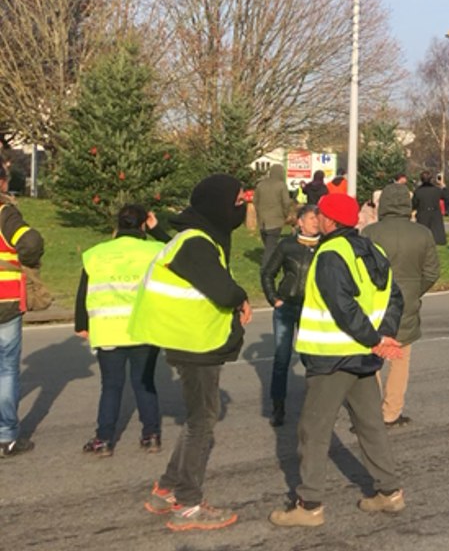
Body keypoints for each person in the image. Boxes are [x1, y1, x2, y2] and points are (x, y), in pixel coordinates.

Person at [268, 193, 407, 528]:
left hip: (332, 357)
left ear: (330, 220)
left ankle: (309, 504)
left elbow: (341, 306)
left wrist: (374, 339)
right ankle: (389, 492)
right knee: (370, 425)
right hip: (362, 356)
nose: (318, 219)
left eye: (321, 215)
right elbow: (394, 297)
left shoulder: (330, 253)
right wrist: (381, 336)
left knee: (313, 430)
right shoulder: (374, 250)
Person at [129, 174, 252, 531]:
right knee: (202, 423)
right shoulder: (196, 242)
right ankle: (188, 504)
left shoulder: (195, 238)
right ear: (217, 205)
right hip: (195, 342)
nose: (241, 209)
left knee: (197, 420)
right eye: (237, 203)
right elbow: (222, 289)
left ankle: (166, 489)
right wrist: (240, 296)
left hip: (190, 339)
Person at [75, 205, 168, 456]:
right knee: (144, 382)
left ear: (118, 225)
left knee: (111, 385)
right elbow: (180, 250)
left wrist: (81, 324)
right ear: (142, 224)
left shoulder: (97, 254)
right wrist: (157, 229)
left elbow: (83, 291)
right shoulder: (157, 251)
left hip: (108, 329)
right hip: (144, 328)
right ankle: (151, 436)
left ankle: (104, 439)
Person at [363, 181, 440, 427]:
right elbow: (431, 272)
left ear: (382, 203)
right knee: (400, 360)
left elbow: (361, 269)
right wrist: (415, 291)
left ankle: (369, 411)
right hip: (407, 301)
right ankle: (391, 411)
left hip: (375, 302)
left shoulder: (370, 233)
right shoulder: (422, 234)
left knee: (371, 359)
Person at [260, 204, 321, 427]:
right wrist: (274, 299)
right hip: (286, 308)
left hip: (312, 311)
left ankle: (316, 405)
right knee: (282, 358)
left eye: (318, 218)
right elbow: (268, 273)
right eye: (311, 218)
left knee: (312, 359)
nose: (316, 222)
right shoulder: (287, 245)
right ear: (300, 222)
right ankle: (278, 407)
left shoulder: (325, 245)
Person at [0, 165, 43, 459]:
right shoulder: (5, 213)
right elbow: (31, 242)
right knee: (6, 368)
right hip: (5, 300)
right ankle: (6, 437)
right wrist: (26, 262)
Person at [254, 163, 295, 264]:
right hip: (275, 220)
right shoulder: (281, 185)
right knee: (271, 246)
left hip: (262, 220)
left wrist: (259, 212)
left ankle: (272, 262)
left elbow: (255, 201)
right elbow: (286, 202)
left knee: (268, 244)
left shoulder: (260, 185)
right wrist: (285, 214)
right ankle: (266, 266)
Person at [411, 171, 449, 247]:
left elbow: (414, 204)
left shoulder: (418, 191)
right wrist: (442, 184)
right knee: (436, 234)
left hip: (422, 213)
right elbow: (447, 196)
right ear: (431, 179)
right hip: (435, 213)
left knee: (422, 233)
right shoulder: (436, 190)